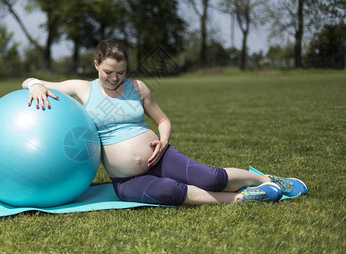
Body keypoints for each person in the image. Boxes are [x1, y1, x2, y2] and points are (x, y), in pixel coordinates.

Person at [22, 39, 307, 205]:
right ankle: (242, 199)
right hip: (126, 180)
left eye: (120, 72)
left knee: (211, 177)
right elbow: (29, 80)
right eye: (108, 70)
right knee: (170, 192)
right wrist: (35, 85)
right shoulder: (82, 88)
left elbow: (162, 120)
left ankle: (265, 179)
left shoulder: (138, 87)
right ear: (96, 64)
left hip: (160, 157)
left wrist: (164, 140)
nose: (114, 78)